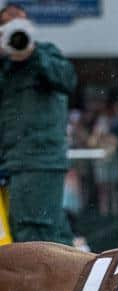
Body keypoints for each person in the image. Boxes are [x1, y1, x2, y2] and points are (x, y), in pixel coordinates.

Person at [0, 3, 76, 245]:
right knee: (51, 232)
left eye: (19, 24)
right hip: (15, 163)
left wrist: (32, 54)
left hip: (37, 161)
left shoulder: (45, 54)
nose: (14, 31)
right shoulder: (4, 66)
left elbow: (67, 79)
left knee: (34, 234)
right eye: (6, 25)